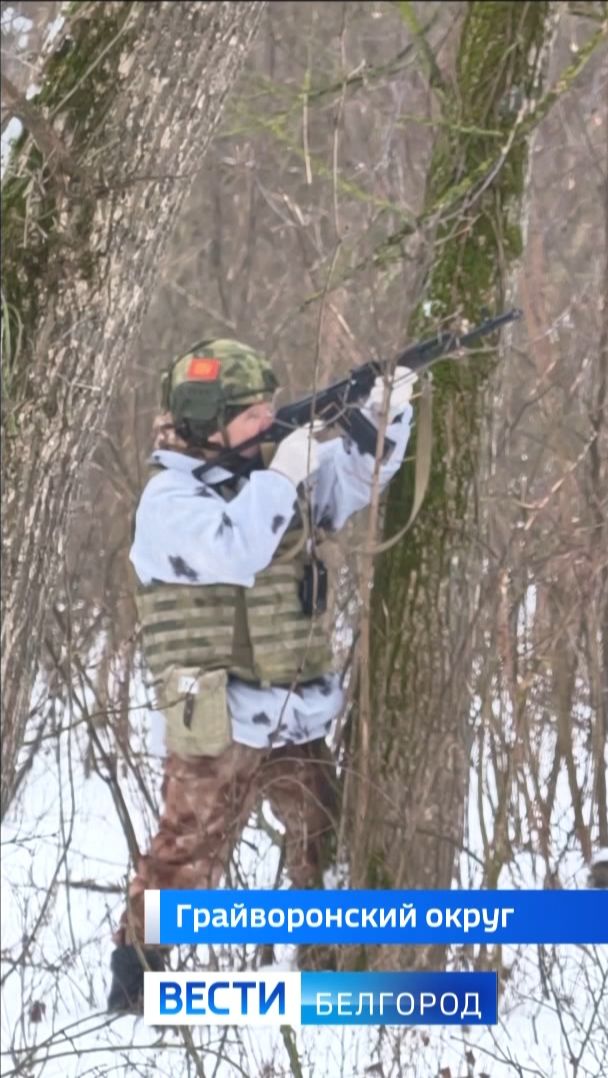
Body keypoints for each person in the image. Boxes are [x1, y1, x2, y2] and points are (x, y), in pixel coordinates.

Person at [107, 339, 416, 1013]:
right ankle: (131, 997)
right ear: (205, 423)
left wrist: (389, 411)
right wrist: (283, 476)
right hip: (215, 719)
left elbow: (362, 476)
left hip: (294, 709)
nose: (268, 421)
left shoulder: (278, 471)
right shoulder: (169, 501)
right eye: (251, 414)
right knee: (185, 865)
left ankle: (328, 977)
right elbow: (237, 552)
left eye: (270, 409)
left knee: (324, 841)